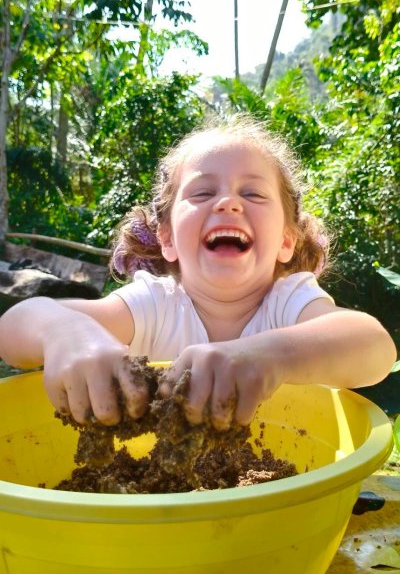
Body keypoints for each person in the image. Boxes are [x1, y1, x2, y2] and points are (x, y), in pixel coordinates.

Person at [0, 115, 396, 431]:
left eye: (253, 194)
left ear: (286, 241)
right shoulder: (153, 306)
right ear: (167, 239)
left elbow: (375, 348)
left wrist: (265, 357)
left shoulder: (290, 302)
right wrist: (64, 333)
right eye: (203, 193)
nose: (228, 203)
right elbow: (14, 326)